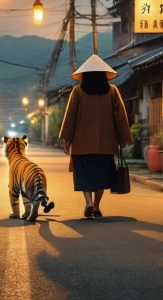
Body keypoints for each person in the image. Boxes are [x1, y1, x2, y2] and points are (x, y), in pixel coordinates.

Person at [59, 54, 133, 218]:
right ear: (103, 74)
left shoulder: (77, 91)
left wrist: (67, 140)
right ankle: (97, 206)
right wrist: (122, 140)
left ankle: (88, 202)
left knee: (84, 175)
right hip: (106, 145)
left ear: (84, 75)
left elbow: (70, 117)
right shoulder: (112, 91)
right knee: (102, 175)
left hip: (81, 144)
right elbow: (120, 117)